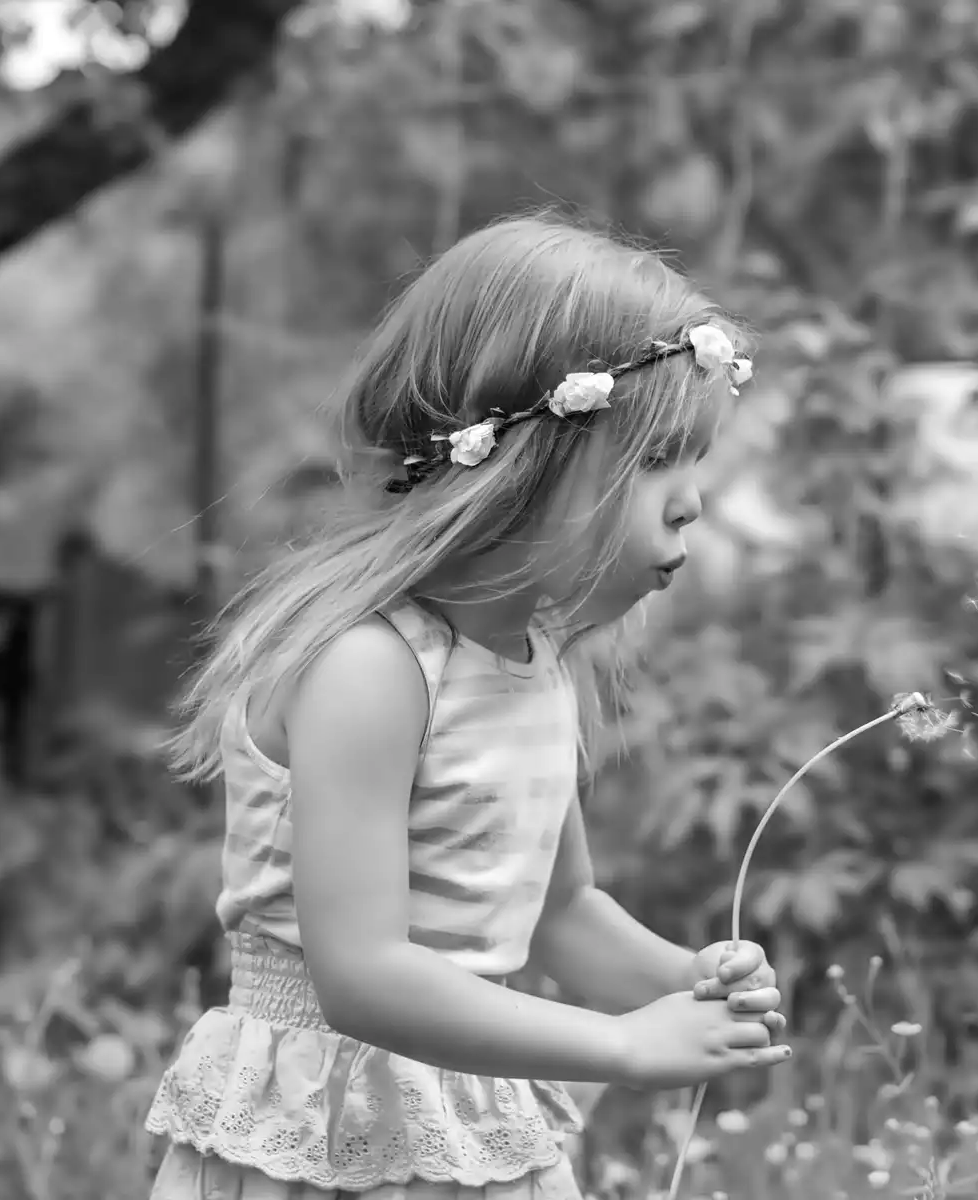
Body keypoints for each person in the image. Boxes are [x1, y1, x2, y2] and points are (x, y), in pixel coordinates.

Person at [145, 213, 788, 1200]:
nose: (692, 500)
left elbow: (562, 911)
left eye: (695, 461)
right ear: (521, 466)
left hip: (462, 1122)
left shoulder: (535, 665)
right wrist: (622, 1045)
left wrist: (681, 986)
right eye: (657, 458)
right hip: (324, 1132)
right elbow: (359, 975)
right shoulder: (368, 667)